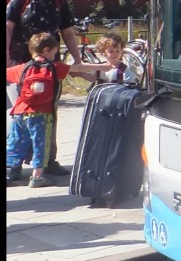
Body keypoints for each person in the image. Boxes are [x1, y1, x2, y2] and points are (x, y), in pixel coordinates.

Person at [5, 0, 85, 176]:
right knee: (22, 113)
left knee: (48, 112)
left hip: (50, 67)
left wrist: (77, 61)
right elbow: (8, 27)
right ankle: (13, 163)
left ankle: (47, 160)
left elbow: (68, 32)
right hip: (20, 65)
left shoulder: (59, 1)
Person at [7, 32, 108, 187]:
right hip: (42, 114)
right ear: (47, 50)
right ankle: (37, 177)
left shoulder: (23, 68)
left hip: (20, 112)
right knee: (41, 145)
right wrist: (102, 66)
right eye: (55, 52)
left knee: (16, 142)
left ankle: (12, 172)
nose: (56, 55)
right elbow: (78, 67)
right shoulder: (54, 67)